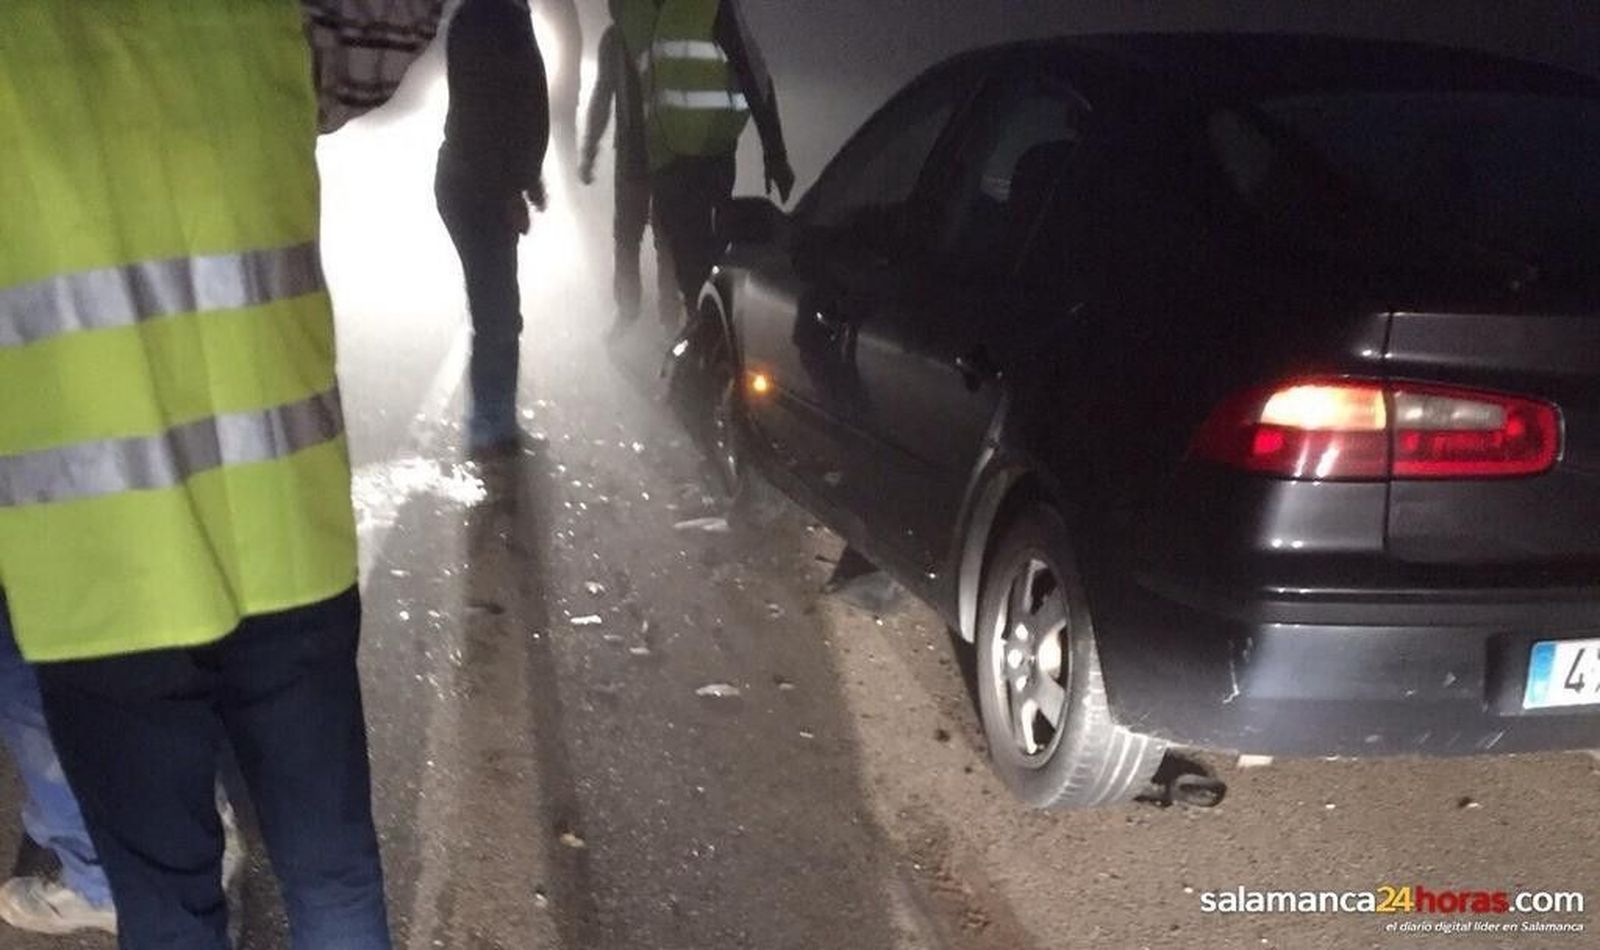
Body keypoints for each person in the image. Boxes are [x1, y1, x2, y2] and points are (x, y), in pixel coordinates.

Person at [0, 1, 441, 947]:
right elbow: (393, 26)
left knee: (169, 902)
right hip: (288, 539)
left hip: (100, 574)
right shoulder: (276, 22)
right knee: (331, 871)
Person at [617, 0, 795, 331]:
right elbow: (633, 85)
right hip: (665, 162)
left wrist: (775, 153)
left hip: (710, 155)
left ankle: (714, 342)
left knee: (708, 258)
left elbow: (753, 72)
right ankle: (704, 337)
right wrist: (636, 161)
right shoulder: (630, 9)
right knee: (688, 262)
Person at [435, 0, 551, 455]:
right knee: (497, 309)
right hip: (475, 186)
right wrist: (509, 190)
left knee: (499, 305)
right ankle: (490, 424)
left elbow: (521, 104)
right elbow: (486, 112)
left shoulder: (502, 14)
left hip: (480, 180)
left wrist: (529, 177)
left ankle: (496, 417)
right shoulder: (489, 16)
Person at [580, 4, 680, 337]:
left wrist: (589, 152)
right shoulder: (666, 31)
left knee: (627, 239)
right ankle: (669, 318)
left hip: (634, 157)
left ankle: (630, 310)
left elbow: (603, 96)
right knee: (666, 242)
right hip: (668, 154)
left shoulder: (615, 37)